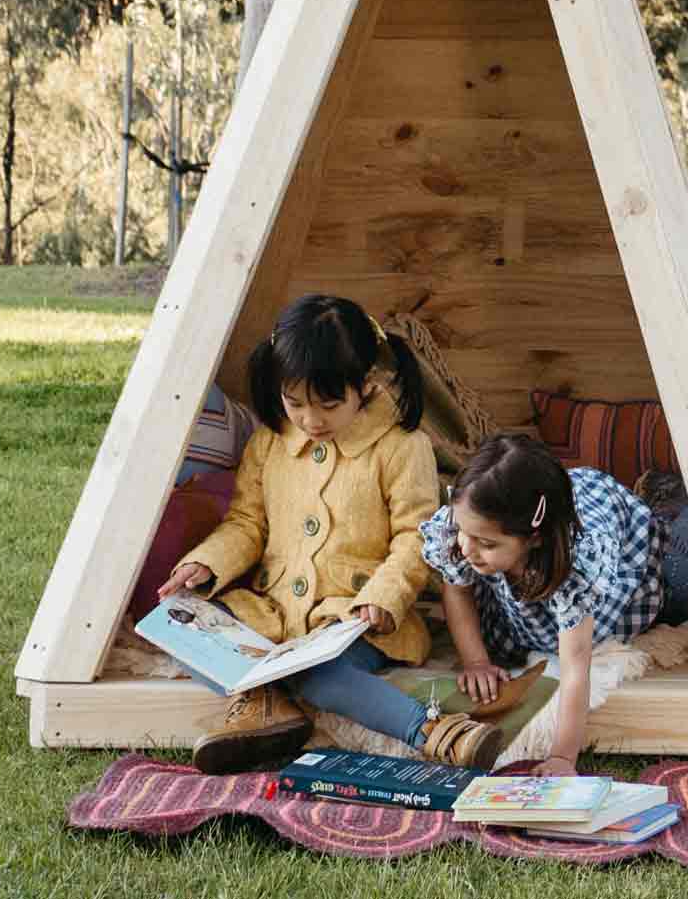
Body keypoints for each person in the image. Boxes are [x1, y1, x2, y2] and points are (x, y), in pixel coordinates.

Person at [158, 293, 503, 773]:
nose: (310, 420)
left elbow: (417, 538)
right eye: (294, 402)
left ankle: (435, 731)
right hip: (275, 615)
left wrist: (384, 596)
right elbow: (247, 524)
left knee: (321, 677)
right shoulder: (268, 444)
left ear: (365, 384)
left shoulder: (403, 447)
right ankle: (269, 707)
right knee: (178, 625)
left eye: (328, 404)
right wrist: (206, 563)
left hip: (356, 620)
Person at [419, 432, 688, 776]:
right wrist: (475, 661)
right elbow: (457, 588)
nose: (466, 547)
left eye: (485, 542)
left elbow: (576, 666)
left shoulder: (579, 564)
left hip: (619, 563)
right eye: (462, 531)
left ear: (534, 538)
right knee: (499, 611)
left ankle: (667, 499)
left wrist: (563, 757)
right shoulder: (468, 527)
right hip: (527, 561)